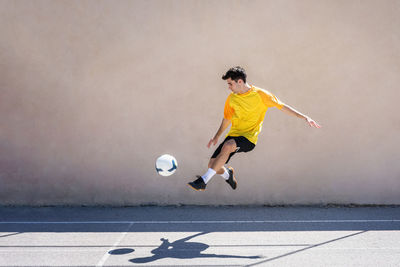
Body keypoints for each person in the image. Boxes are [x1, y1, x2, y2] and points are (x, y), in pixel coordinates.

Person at [188, 66, 321, 191]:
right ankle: (227, 175)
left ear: (239, 81)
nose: (228, 87)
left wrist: (305, 117)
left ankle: (203, 181)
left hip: (249, 139)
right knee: (212, 165)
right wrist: (217, 136)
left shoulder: (261, 95)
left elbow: (283, 106)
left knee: (228, 146)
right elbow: (227, 119)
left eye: (230, 84)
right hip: (234, 135)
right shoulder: (232, 99)